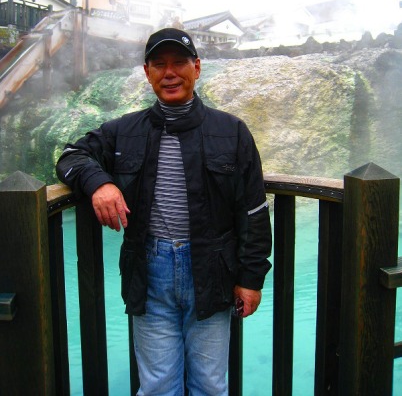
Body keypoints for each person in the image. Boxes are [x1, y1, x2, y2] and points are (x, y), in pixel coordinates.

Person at [56, 27, 272, 396]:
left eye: (179, 63)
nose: (169, 73)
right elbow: (71, 156)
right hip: (149, 271)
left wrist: (251, 279)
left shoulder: (232, 131)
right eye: (159, 65)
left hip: (212, 270)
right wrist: (100, 183)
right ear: (147, 73)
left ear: (197, 68)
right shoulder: (124, 131)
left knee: (209, 386)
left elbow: (253, 211)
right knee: (157, 386)